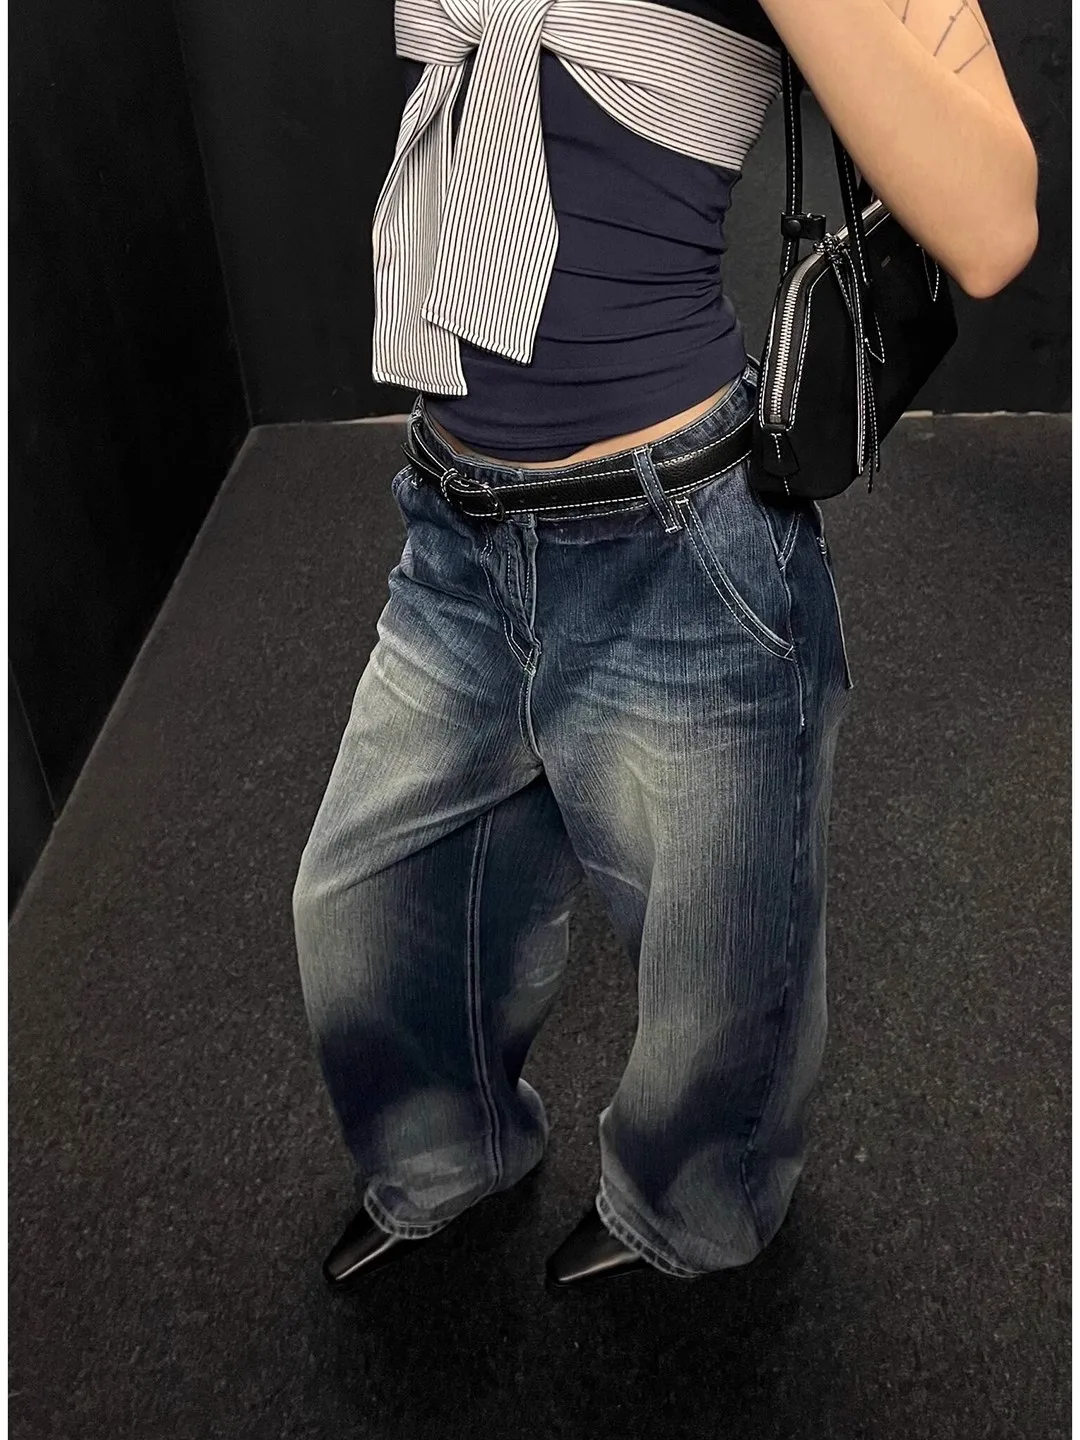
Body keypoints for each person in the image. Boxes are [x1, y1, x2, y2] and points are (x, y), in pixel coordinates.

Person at [292, 0, 1038, 1292]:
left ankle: (693, 1211)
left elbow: (993, 225)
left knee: (719, 967)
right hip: (458, 527)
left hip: (675, 544)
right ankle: (448, 1155)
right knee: (366, 913)